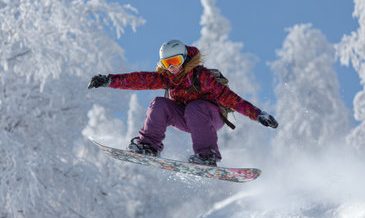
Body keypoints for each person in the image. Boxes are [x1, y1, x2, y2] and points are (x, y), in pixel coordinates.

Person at [88, 39, 278, 166]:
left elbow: (230, 98)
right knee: (159, 104)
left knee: (195, 107)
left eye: (176, 61)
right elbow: (139, 79)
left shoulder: (201, 76)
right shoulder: (168, 78)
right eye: (166, 63)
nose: (172, 68)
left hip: (211, 117)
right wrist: (108, 80)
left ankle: (207, 155)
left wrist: (258, 114)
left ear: (185, 58)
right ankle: (149, 146)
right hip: (188, 118)